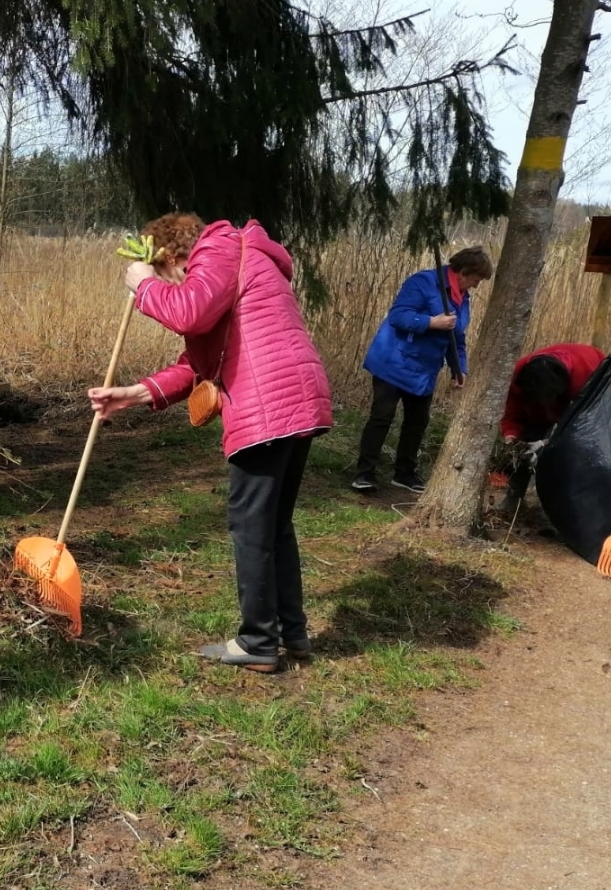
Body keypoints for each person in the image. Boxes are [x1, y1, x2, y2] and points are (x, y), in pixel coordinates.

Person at [89, 212, 333, 670]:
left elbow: (190, 312)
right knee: (273, 523)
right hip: (296, 396)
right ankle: (291, 633)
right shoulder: (239, 258)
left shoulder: (219, 247)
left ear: (171, 257)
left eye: (164, 272)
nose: (172, 282)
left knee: (251, 526)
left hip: (268, 401)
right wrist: (136, 394)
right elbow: (199, 358)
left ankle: (258, 643)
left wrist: (143, 284)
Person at [351, 247, 494, 493]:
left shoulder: (463, 297)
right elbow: (398, 316)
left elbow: (456, 337)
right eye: (475, 280)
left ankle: (404, 474)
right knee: (382, 417)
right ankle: (364, 473)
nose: (476, 286)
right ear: (463, 272)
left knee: (418, 421)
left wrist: (459, 369)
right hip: (393, 361)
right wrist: (431, 322)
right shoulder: (423, 282)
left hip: (424, 370)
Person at [497, 343, 605, 517]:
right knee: (523, 450)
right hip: (536, 414)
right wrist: (513, 442)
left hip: (579, 408)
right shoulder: (519, 376)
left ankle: (561, 510)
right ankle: (514, 498)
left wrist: (547, 444)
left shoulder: (586, 373)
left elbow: (584, 425)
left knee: (569, 457)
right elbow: (512, 414)